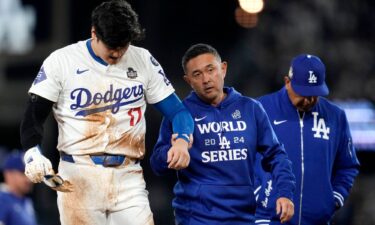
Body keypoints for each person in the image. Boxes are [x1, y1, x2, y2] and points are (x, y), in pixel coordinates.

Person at [19, 1, 194, 225]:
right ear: (94, 33)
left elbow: (179, 112)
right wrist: (32, 153)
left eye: (123, 45)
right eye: (111, 46)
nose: (118, 52)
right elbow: (33, 115)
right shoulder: (62, 61)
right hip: (79, 176)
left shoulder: (142, 59)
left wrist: (181, 139)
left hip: (128, 176)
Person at [150, 43, 296, 225]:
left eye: (210, 70)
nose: (206, 79)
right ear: (188, 81)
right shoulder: (180, 114)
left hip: (244, 217)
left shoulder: (251, 109)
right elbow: (156, 164)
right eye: (197, 74)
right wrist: (171, 153)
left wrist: (285, 193)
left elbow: (277, 156)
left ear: (224, 69)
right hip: (196, 217)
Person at [254, 54, 360, 225]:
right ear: (287, 82)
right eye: (303, 92)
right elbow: (240, 159)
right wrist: (259, 195)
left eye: (315, 93)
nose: (309, 100)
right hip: (268, 219)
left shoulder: (335, 116)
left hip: (317, 220)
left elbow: (348, 165)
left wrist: (332, 199)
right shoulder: (260, 108)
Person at [0, 150, 38, 225]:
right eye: (23, 173)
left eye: (30, 173)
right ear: (8, 174)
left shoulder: (26, 201)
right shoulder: (2, 200)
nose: (28, 179)